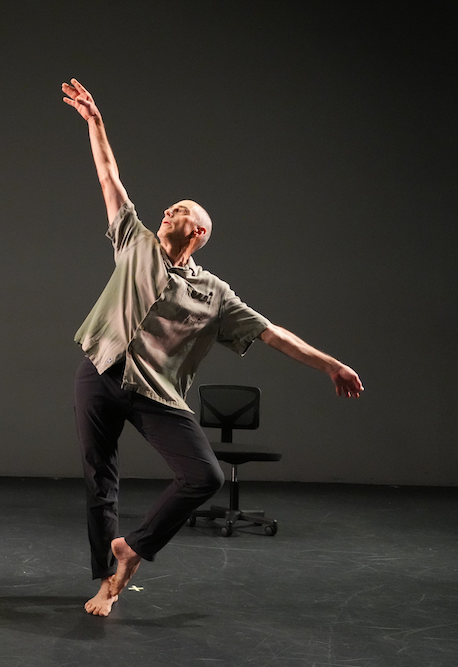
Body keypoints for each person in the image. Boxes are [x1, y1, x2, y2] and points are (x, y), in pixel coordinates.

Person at [61, 79, 363, 616]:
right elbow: (109, 175)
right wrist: (94, 121)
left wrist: (330, 363)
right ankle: (107, 581)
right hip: (101, 371)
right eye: (168, 209)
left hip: (156, 392)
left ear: (199, 231)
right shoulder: (133, 240)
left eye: (177, 210)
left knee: (204, 475)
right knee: (99, 482)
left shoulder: (215, 293)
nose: (166, 213)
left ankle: (132, 548)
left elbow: (273, 334)